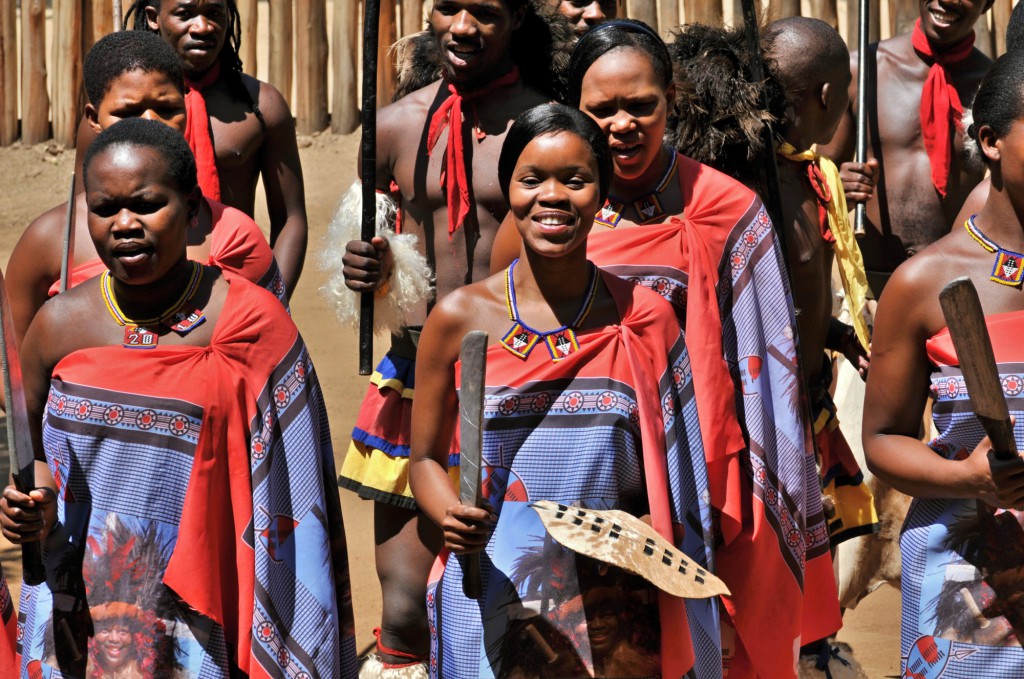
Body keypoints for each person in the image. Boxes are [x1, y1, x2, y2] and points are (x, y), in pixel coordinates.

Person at [490, 19, 841, 677]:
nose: (622, 124)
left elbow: (761, 381)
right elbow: (510, 354)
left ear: (671, 99)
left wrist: (721, 522)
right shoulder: (545, 215)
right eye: (602, 110)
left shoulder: (727, 211)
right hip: (566, 476)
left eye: (641, 106)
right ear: (575, 106)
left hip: (689, 481)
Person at [0, 119, 357, 677]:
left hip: (209, 606)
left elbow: (296, 490)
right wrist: (34, 505)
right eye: (104, 207)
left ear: (191, 209)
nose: (123, 225)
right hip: (87, 607)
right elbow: (40, 458)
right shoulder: (57, 325)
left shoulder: (249, 321)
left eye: (146, 204)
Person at [409, 101, 708, 679]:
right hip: (490, 581)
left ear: (601, 194)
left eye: (575, 180)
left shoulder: (644, 317)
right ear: (509, 191)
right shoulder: (458, 318)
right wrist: (449, 514)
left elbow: (679, 473)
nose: (553, 196)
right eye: (532, 179)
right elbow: (422, 458)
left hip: (615, 598)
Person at [323, 0, 569, 671]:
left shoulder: (548, 128)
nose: (462, 25)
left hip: (522, 378)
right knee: (404, 609)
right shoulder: (395, 127)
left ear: (516, 18)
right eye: (447, 6)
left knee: (522, 604)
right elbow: (376, 257)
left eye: (484, 11)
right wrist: (366, 268)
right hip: (415, 376)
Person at [863, 50, 1024, 676]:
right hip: (967, 581)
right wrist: (970, 480)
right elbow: (882, 440)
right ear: (989, 140)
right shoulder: (925, 282)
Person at [8, 29, 285, 345]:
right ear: (93, 118)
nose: (150, 122)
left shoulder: (234, 234)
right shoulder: (50, 240)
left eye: (167, 109)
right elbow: (12, 377)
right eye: (128, 112)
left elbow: (272, 350)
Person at [72, 0, 307, 296]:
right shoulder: (112, 117)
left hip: (232, 283)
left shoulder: (261, 107)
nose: (202, 27)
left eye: (214, 13)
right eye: (185, 14)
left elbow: (290, 219)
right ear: (154, 17)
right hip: (132, 288)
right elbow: (87, 216)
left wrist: (274, 298)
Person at [819, 0, 993, 298]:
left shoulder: (991, 87)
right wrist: (837, 186)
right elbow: (814, 180)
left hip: (956, 288)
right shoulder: (862, 70)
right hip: (871, 291)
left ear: (987, 4)